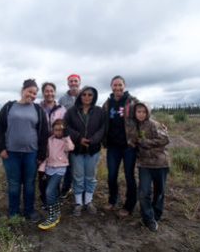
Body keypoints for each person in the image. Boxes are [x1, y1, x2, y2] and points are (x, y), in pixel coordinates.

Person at [0, 79, 48, 222]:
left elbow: (43, 134)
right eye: (30, 91)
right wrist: (0, 149)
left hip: (31, 153)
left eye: (35, 93)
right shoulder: (9, 107)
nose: (32, 95)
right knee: (14, 183)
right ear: (23, 90)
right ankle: (14, 212)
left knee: (29, 183)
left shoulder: (38, 110)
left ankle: (29, 211)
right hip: (11, 154)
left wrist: (41, 154)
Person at [126, 103, 170, 232]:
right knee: (144, 192)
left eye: (143, 112)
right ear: (135, 113)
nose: (141, 114)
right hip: (144, 164)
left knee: (159, 191)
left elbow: (165, 139)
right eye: (138, 112)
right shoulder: (134, 126)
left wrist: (146, 142)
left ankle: (156, 215)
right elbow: (132, 141)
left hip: (160, 163)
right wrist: (131, 141)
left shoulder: (154, 124)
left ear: (148, 113)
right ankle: (148, 218)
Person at [64, 86, 105, 216]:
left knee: (91, 177)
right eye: (84, 94)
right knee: (78, 177)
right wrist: (78, 138)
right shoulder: (71, 111)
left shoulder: (99, 111)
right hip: (77, 150)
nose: (87, 97)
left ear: (94, 97)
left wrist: (93, 140)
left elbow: (103, 128)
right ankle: (78, 203)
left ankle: (88, 201)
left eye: (90, 95)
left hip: (93, 150)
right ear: (80, 96)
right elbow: (66, 127)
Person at [102, 75, 139, 217]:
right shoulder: (107, 103)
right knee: (112, 175)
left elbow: (144, 114)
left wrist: (158, 127)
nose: (117, 88)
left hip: (128, 146)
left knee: (129, 176)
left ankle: (129, 206)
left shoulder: (132, 102)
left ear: (124, 85)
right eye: (115, 85)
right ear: (111, 86)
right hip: (113, 146)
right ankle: (113, 200)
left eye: (120, 85)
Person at [37, 119, 75, 230]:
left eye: (60, 130)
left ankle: (52, 216)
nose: (58, 132)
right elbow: (46, 155)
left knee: (49, 192)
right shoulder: (49, 139)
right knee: (54, 191)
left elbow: (71, 148)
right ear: (52, 130)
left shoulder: (65, 140)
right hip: (49, 168)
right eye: (55, 130)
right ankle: (57, 212)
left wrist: (67, 136)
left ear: (64, 130)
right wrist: (42, 167)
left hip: (60, 169)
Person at [38, 82, 67, 208]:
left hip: (58, 146)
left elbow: (66, 127)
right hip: (42, 144)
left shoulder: (62, 109)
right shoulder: (37, 108)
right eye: (46, 91)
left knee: (55, 174)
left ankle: (55, 199)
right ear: (43, 93)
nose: (49, 93)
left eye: (51, 91)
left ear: (55, 92)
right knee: (43, 173)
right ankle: (45, 200)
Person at [58, 74, 81, 199]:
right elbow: (60, 118)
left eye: (75, 81)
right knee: (68, 165)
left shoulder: (85, 96)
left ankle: (80, 189)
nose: (73, 83)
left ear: (79, 82)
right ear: (68, 84)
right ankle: (66, 188)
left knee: (81, 165)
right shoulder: (62, 99)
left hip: (83, 136)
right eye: (71, 81)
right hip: (68, 137)